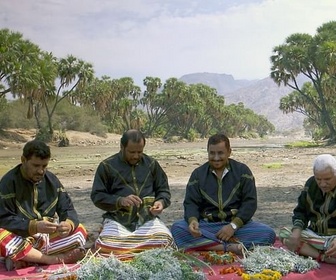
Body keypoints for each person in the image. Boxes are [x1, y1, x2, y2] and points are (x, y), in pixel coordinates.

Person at [171, 133, 276, 254]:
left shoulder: (242, 171)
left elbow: (250, 203)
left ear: (229, 152)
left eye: (220, 153)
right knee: (177, 229)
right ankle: (229, 247)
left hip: (237, 227)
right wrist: (193, 221)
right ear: (207, 152)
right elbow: (191, 203)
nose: (216, 158)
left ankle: (208, 245)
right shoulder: (198, 174)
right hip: (207, 226)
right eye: (212, 153)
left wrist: (233, 226)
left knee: (268, 234)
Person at [0, 140, 87, 271]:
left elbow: (67, 208)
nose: (41, 171)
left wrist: (67, 225)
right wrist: (33, 226)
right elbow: (3, 219)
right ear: (23, 160)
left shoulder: (52, 181)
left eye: (44, 166)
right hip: (22, 237)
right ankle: (52, 259)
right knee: (1, 236)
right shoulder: (8, 182)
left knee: (80, 231)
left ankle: (26, 259)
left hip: (47, 239)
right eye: (36, 165)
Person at [90, 129, 176, 255]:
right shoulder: (106, 166)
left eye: (139, 152)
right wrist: (120, 201)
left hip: (147, 220)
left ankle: (128, 252)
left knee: (165, 241)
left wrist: (161, 202)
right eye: (131, 152)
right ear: (122, 146)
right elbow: (97, 196)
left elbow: (163, 190)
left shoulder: (152, 164)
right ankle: (136, 250)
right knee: (105, 245)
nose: (136, 156)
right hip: (117, 221)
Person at [280, 154, 336, 264]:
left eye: (327, 179)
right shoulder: (311, 184)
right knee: (285, 234)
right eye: (318, 179)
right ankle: (323, 257)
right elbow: (301, 211)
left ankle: (311, 252)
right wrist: (297, 231)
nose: (323, 184)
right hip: (314, 235)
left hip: (333, 239)